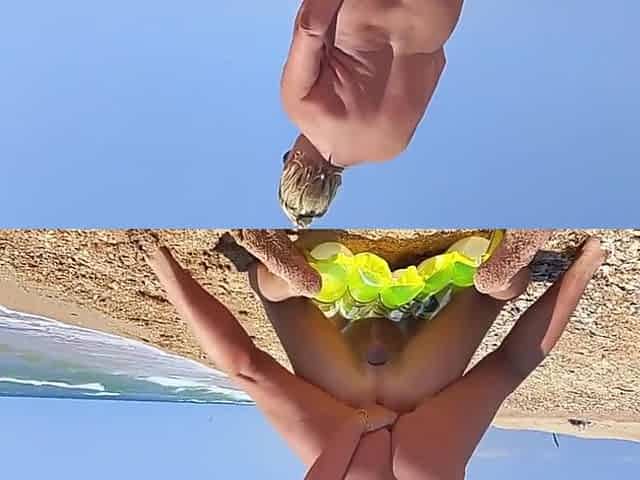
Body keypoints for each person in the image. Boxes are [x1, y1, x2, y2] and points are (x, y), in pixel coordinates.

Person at [140, 231, 606, 479]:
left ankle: (522, 275)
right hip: (345, 431)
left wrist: (583, 267)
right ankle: (274, 277)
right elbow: (245, 366)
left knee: (502, 347)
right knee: (261, 344)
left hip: (420, 449)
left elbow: (511, 363)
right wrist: (360, 423)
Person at [279, 0, 464, 227]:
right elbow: (309, 28)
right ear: (294, 161)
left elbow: (436, 62)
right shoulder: (298, 107)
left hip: (432, 17)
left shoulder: (390, 147)